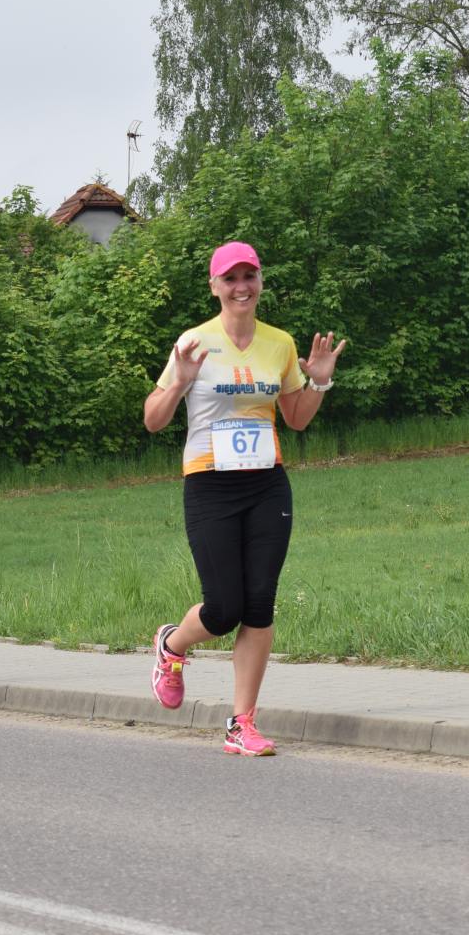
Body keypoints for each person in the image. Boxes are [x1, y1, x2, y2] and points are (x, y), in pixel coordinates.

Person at [143, 241, 345, 756]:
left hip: (266, 484)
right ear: (214, 286)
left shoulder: (279, 343)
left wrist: (319, 382)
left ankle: (242, 724)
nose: (241, 287)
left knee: (258, 604)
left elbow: (296, 418)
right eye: (230, 279)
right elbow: (153, 420)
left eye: (248, 277)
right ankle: (171, 645)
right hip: (209, 484)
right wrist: (178, 384)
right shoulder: (193, 342)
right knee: (223, 608)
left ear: (260, 282)